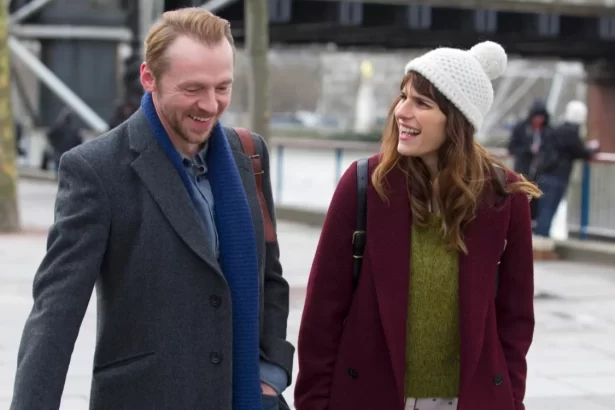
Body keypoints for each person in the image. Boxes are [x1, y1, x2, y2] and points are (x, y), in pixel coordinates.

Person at [11, 8, 293, 410]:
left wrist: (270, 377)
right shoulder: (95, 170)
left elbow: (270, 280)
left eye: (222, 87)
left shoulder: (249, 153)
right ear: (149, 78)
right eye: (193, 88)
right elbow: (54, 314)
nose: (210, 105)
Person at [294, 41, 541, 410]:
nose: (401, 112)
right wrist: (314, 403)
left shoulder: (504, 196)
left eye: (422, 104)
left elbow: (516, 318)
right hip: (370, 397)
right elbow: (322, 312)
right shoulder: (364, 184)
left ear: (456, 119)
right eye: (403, 96)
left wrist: (508, 398)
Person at [533, 100, 599, 238]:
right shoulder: (571, 132)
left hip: (547, 173)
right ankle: (541, 240)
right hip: (557, 176)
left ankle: (539, 239)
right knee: (548, 209)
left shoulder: (557, 129)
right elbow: (579, 151)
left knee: (544, 208)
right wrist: (591, 149)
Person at [507, 99, 552, 222]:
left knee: (538, 201)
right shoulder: (521, 128)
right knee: (521, 197)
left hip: (540, 173)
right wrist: (528, 150)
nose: (538, 120)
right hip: (523, 170)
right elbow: (511, 147)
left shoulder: (548, 131)